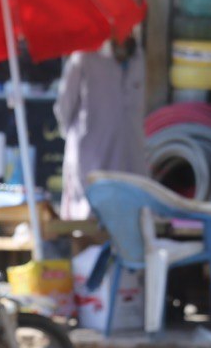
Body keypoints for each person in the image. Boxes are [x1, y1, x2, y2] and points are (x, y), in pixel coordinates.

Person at [54, 37, 146, 220]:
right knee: (86, 220)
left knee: (129, 219)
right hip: (90, 158)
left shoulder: (138, 57)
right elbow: (64, 108)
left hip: (129, 160)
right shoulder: (84, 57)